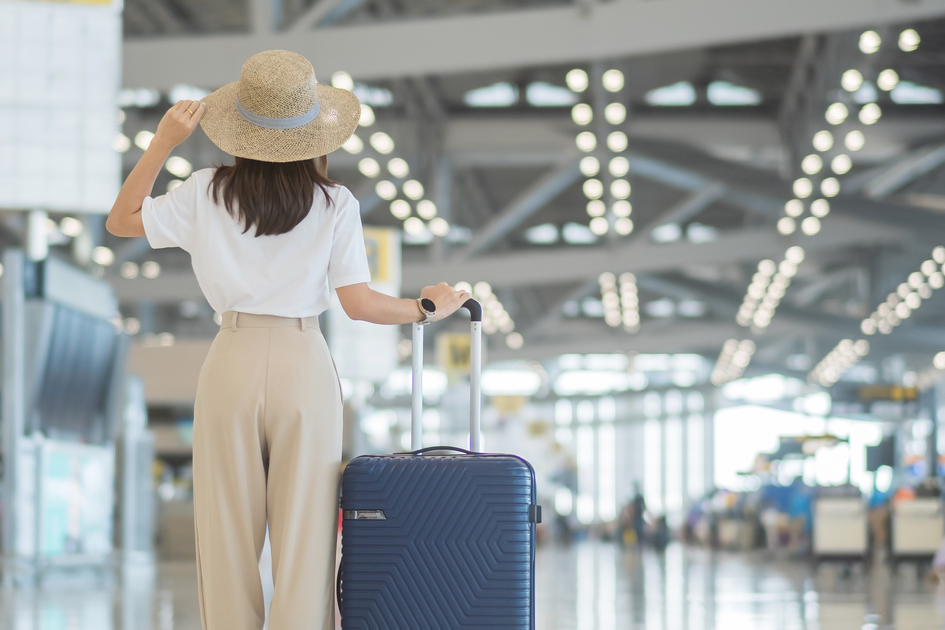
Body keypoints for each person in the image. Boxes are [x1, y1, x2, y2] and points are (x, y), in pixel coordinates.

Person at [106, 50, 470, 630]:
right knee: (307, 536)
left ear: (239, 129)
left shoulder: (204, 192)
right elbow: (358, 304)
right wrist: (426, 308)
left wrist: (162, 143)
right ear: (311, 132)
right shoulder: (334, 204)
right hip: (305, 362)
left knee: (225, 530)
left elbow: (122, 220)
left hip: (231, 357)